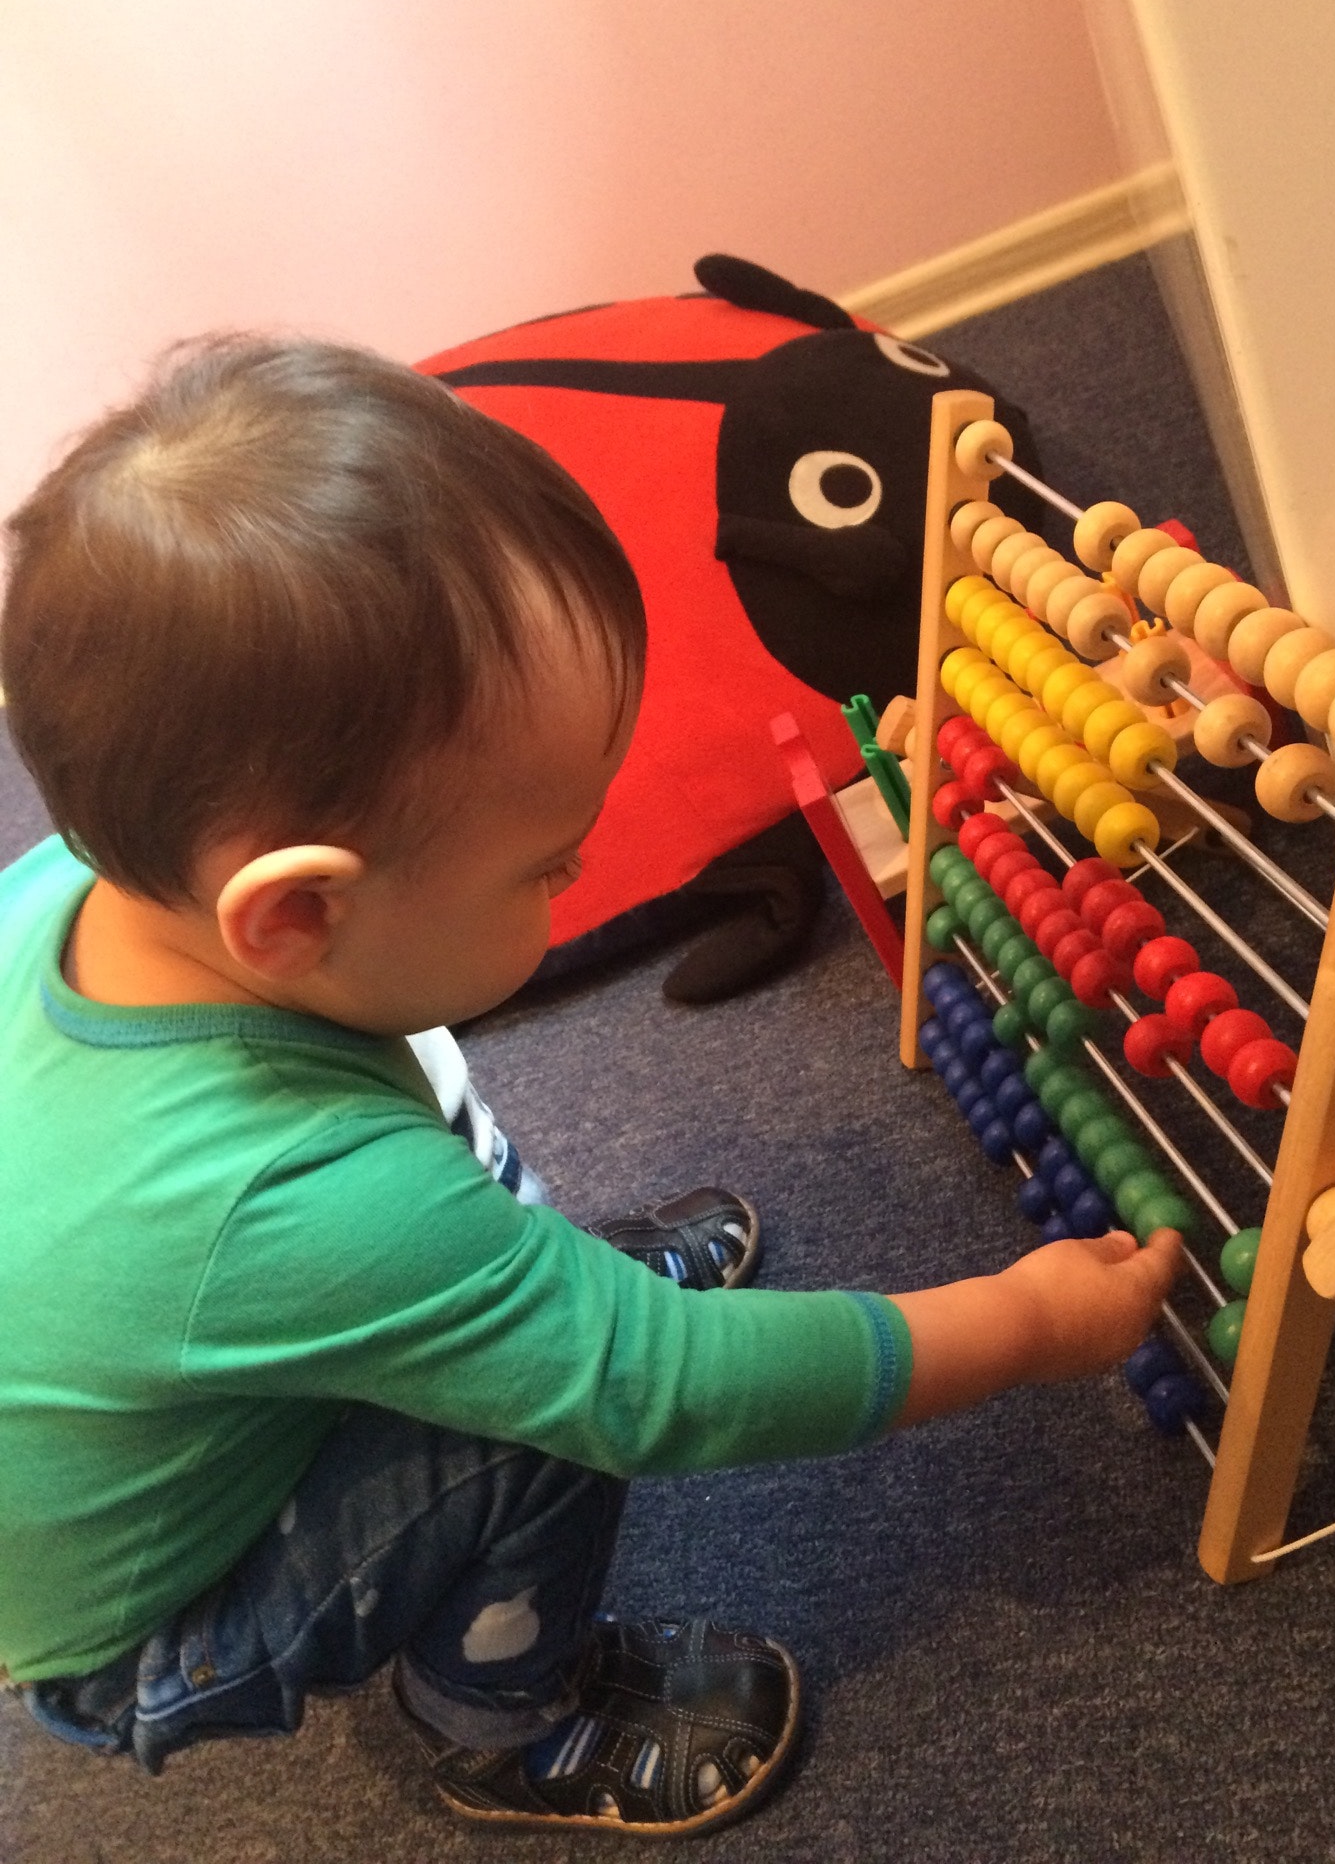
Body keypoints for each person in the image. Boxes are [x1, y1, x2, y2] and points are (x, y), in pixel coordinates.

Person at [0, 337, 1182, 1841]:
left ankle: (516, 1303)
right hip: (157, 1630)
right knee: (548, 1418)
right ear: (291, 913)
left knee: (450, 1211)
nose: (585, 875)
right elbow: (663, 1391)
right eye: (549, 867)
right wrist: (1021, 1328)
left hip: (178, 1377)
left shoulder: (77, 881)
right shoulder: (302, 1200)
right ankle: (509, 1720)